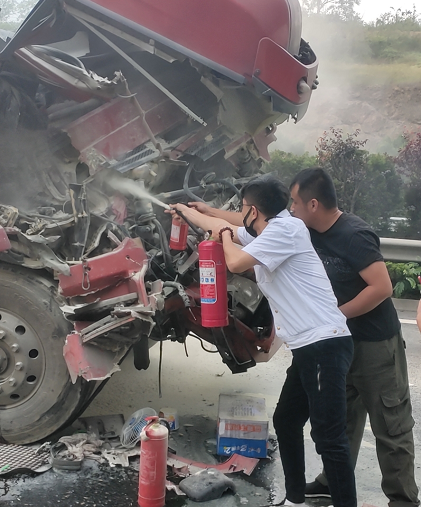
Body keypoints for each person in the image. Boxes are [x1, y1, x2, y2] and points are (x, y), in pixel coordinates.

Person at [170, 174, 357, 507]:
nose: (241, 215)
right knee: (286, 419)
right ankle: (296, 499)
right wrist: (187, 211)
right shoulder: (273, 229)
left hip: (324, 345)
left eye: (243, 208)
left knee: (329, 438)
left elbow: (235, 258)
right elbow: (218, 225)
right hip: (308, 347)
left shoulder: (286, 231)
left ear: (253, 210)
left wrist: (225, 234)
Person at [289, 167, 419, 507]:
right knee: (339, 419)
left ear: (313, 204)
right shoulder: (307, 230)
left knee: (391, 427)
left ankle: (403, 501)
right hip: (339, 343)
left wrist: (333, 315)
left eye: (294, 202)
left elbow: (382, 287)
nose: (291, 209)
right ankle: (332, 481)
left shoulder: (354, 234)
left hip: (375, 345)